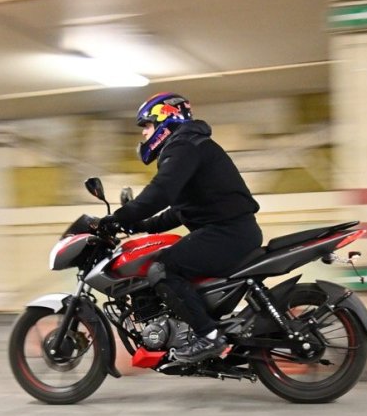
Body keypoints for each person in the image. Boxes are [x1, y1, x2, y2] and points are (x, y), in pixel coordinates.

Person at [98, 92, 262, 363]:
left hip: (228, 232)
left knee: (162, 269)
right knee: (171, 262)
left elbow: (162, 191)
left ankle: (209, 336)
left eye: (147, 125)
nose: (144, 134)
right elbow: (182, 210)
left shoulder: (183, 145)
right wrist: (141, 225)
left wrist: (120, 217)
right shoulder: (190, 145)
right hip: (231, 231)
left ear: (165, 119)